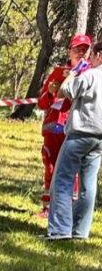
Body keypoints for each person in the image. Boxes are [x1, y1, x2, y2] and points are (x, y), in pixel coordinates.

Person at [45, 42, 102, 241]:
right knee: (89, 184)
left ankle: (60, 229)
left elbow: (63, 91)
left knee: (62, 180)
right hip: (100, 139)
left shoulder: (91, 75)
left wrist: (75, 72)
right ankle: (80, 231)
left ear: (99, 55)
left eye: (92, 54)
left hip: (80, 133)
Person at [36, 34, 91, 217]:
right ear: (70, 51)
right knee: (51, 166)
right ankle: (48, 208)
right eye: (77, 49)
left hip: (76, 127)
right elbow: (42, 103)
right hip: (53, 127)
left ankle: (69, 210)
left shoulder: (92, 74)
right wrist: (51, 93)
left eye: (85, 50)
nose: (81, 54)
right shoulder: (58, 72)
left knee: (73, 170)